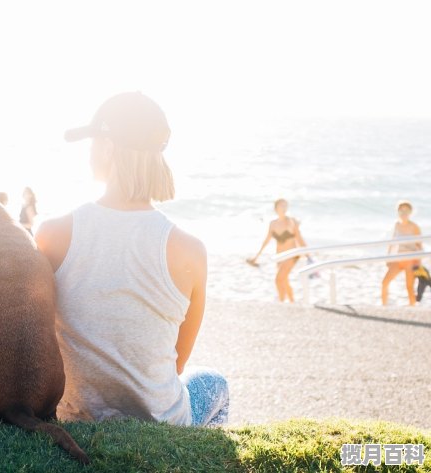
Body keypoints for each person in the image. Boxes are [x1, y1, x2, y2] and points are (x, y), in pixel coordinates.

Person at [35, 92, 228, 427]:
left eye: (93, 141)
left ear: (108, 146)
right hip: (161, 421)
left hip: (75, 417)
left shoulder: (53, 234)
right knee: (215, 383)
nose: (90, 151)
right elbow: (177, 364)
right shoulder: (190, 250)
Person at [247, 199, 307, 303]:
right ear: (276, 208)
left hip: (292, 255)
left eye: (285, 206)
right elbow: (266, 240)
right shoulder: (273, 223)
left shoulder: (292, 221)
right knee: (284, 280)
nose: (284, 208)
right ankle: (292, 302)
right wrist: (256, 256)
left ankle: (281, 302)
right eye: (281, 206)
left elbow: (299, 238)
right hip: (279, 256)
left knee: (278, 279)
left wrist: (308, 254)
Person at [382, 200, 422, 306]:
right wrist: (388, 258)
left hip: (410, 260)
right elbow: (392, 242)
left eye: (406, 210)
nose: (404, 213)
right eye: (401, 210)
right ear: (398, 211)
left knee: (409, 287)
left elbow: (419, 246)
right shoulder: (396, 224)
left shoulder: (414, 226)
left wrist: (418, 262)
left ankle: (413, 309)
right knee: (384, 282)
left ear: (410, 212)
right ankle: (384, 307)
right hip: (398, 259)